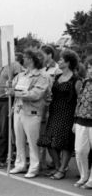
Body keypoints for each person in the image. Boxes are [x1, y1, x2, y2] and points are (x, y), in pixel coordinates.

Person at [38, 49, 82, 180]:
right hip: (54, 111)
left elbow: (79, 100)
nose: (59, 61)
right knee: (49, 141)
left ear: (68, 63)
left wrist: (76, 118)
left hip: (68, 113)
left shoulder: (76, 80)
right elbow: (52, 94)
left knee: (65, 143)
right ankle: (58, 166)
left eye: (62, 60)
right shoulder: (57, 77)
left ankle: (62, 169)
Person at [8, 49, 50, 179]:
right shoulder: (21, 75)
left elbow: (36, 94)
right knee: (19, 140)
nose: (23, 60)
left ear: (31, 59)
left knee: (32, 142)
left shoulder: (42, 77)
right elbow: (11, 86)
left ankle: (34, 166)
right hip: (18, 110)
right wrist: (9, 86)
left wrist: (16, 93)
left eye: (25, 58)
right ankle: (20, 164)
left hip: (32, 112)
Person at [73, 56, 92, 188]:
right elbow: (79, 101)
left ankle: (91, 180)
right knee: (79, 150)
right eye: (89, 67)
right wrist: (75, 120)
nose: (90, 70)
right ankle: (84, 175)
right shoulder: (86, 82)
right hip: (81, 121)